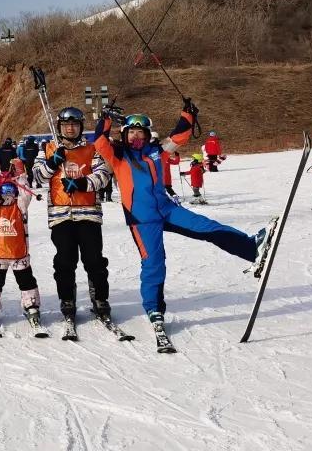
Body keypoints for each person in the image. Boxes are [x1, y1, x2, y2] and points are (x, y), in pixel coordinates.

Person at [91, 99, 274, 338]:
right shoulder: (118, 155)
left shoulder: (158, 151)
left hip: (167, 209)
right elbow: (99, 140)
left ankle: (251, 249)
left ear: (147, 134)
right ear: (124, 135)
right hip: (142, 219)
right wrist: (105, 118)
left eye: (141, 132)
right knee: (154, 263)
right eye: (131, 132)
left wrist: (187, 115)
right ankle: (154, 309)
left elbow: (179, 137)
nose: (136, 136)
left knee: (207, 227)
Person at [32, 107, 114, 323]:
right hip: (60, 215)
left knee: (94, 260)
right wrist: (52, 163)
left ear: (80, 127)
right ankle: (67, 299)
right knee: (64, 261)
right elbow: (38, 177)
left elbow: (104, 176)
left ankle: (100, 299)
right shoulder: (48, 148)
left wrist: (80, 183)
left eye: (75, 125)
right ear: (60, 127)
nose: (70, 129)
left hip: (88, 214)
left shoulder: (91, 149)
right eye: (66, 125)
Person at [0, 180, 44, 333]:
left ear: (15, 194)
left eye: (11, 193)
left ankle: (31, 306)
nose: (8, 197)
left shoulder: (20, 206)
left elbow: (26, 194)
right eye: (4, 194)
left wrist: (21, 175)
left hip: (18, 255)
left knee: (26, 281)